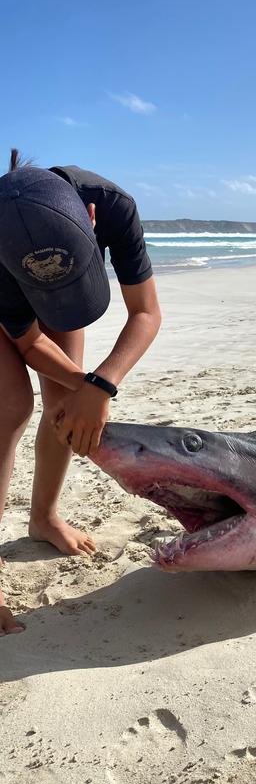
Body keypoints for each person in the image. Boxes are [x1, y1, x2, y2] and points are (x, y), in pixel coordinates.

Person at [0, 150, 161, 635]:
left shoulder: (112, 205)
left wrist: (98, 386)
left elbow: (146, 313)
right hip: (3, 286)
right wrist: (88, 383)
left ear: (90, 219)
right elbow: (27, 341)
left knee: (66, 404)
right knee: (10, 407)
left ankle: (43, 518)